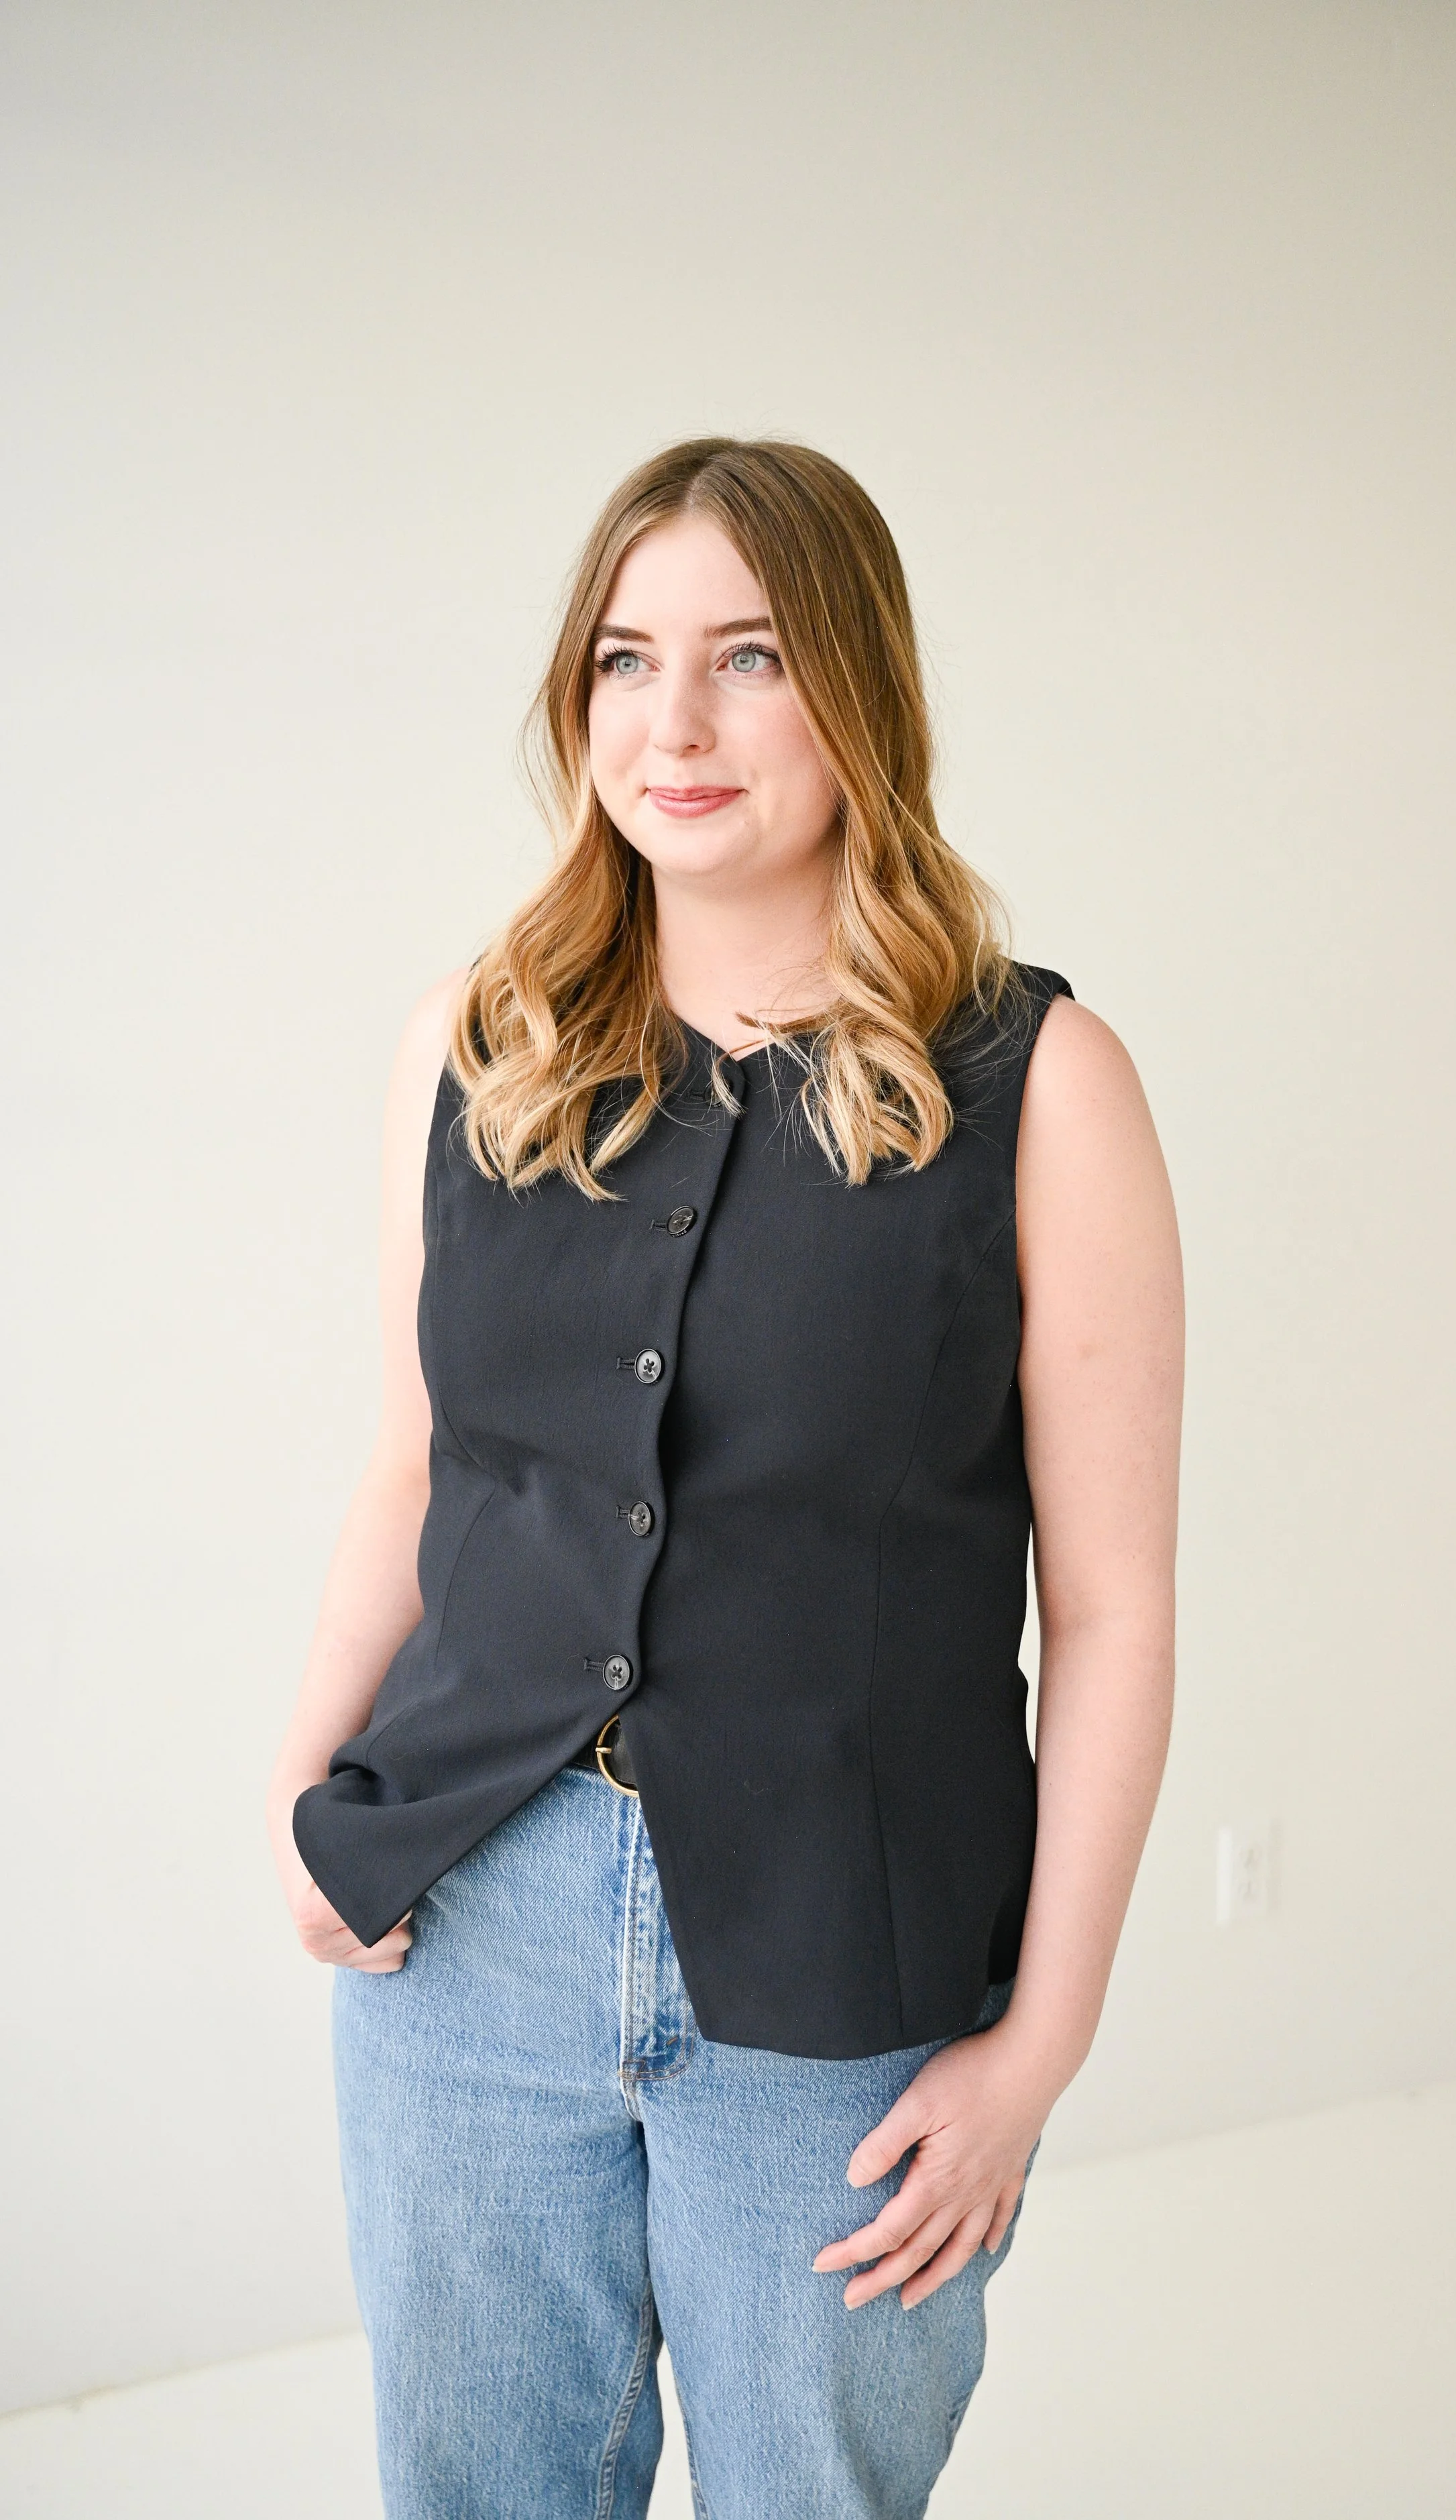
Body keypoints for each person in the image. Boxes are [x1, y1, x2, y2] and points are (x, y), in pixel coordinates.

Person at [266, 436, 1182, 2520]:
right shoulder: (474, 1046)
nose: (670, 726)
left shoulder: (1037, 1085)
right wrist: (308, 1790)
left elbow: (1113, 1609)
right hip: (466, 1932)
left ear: (855, 689)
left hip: (842, 1982)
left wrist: (1035, 2049)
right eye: (622, 659)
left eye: (749, 657)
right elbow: (423, 1464)